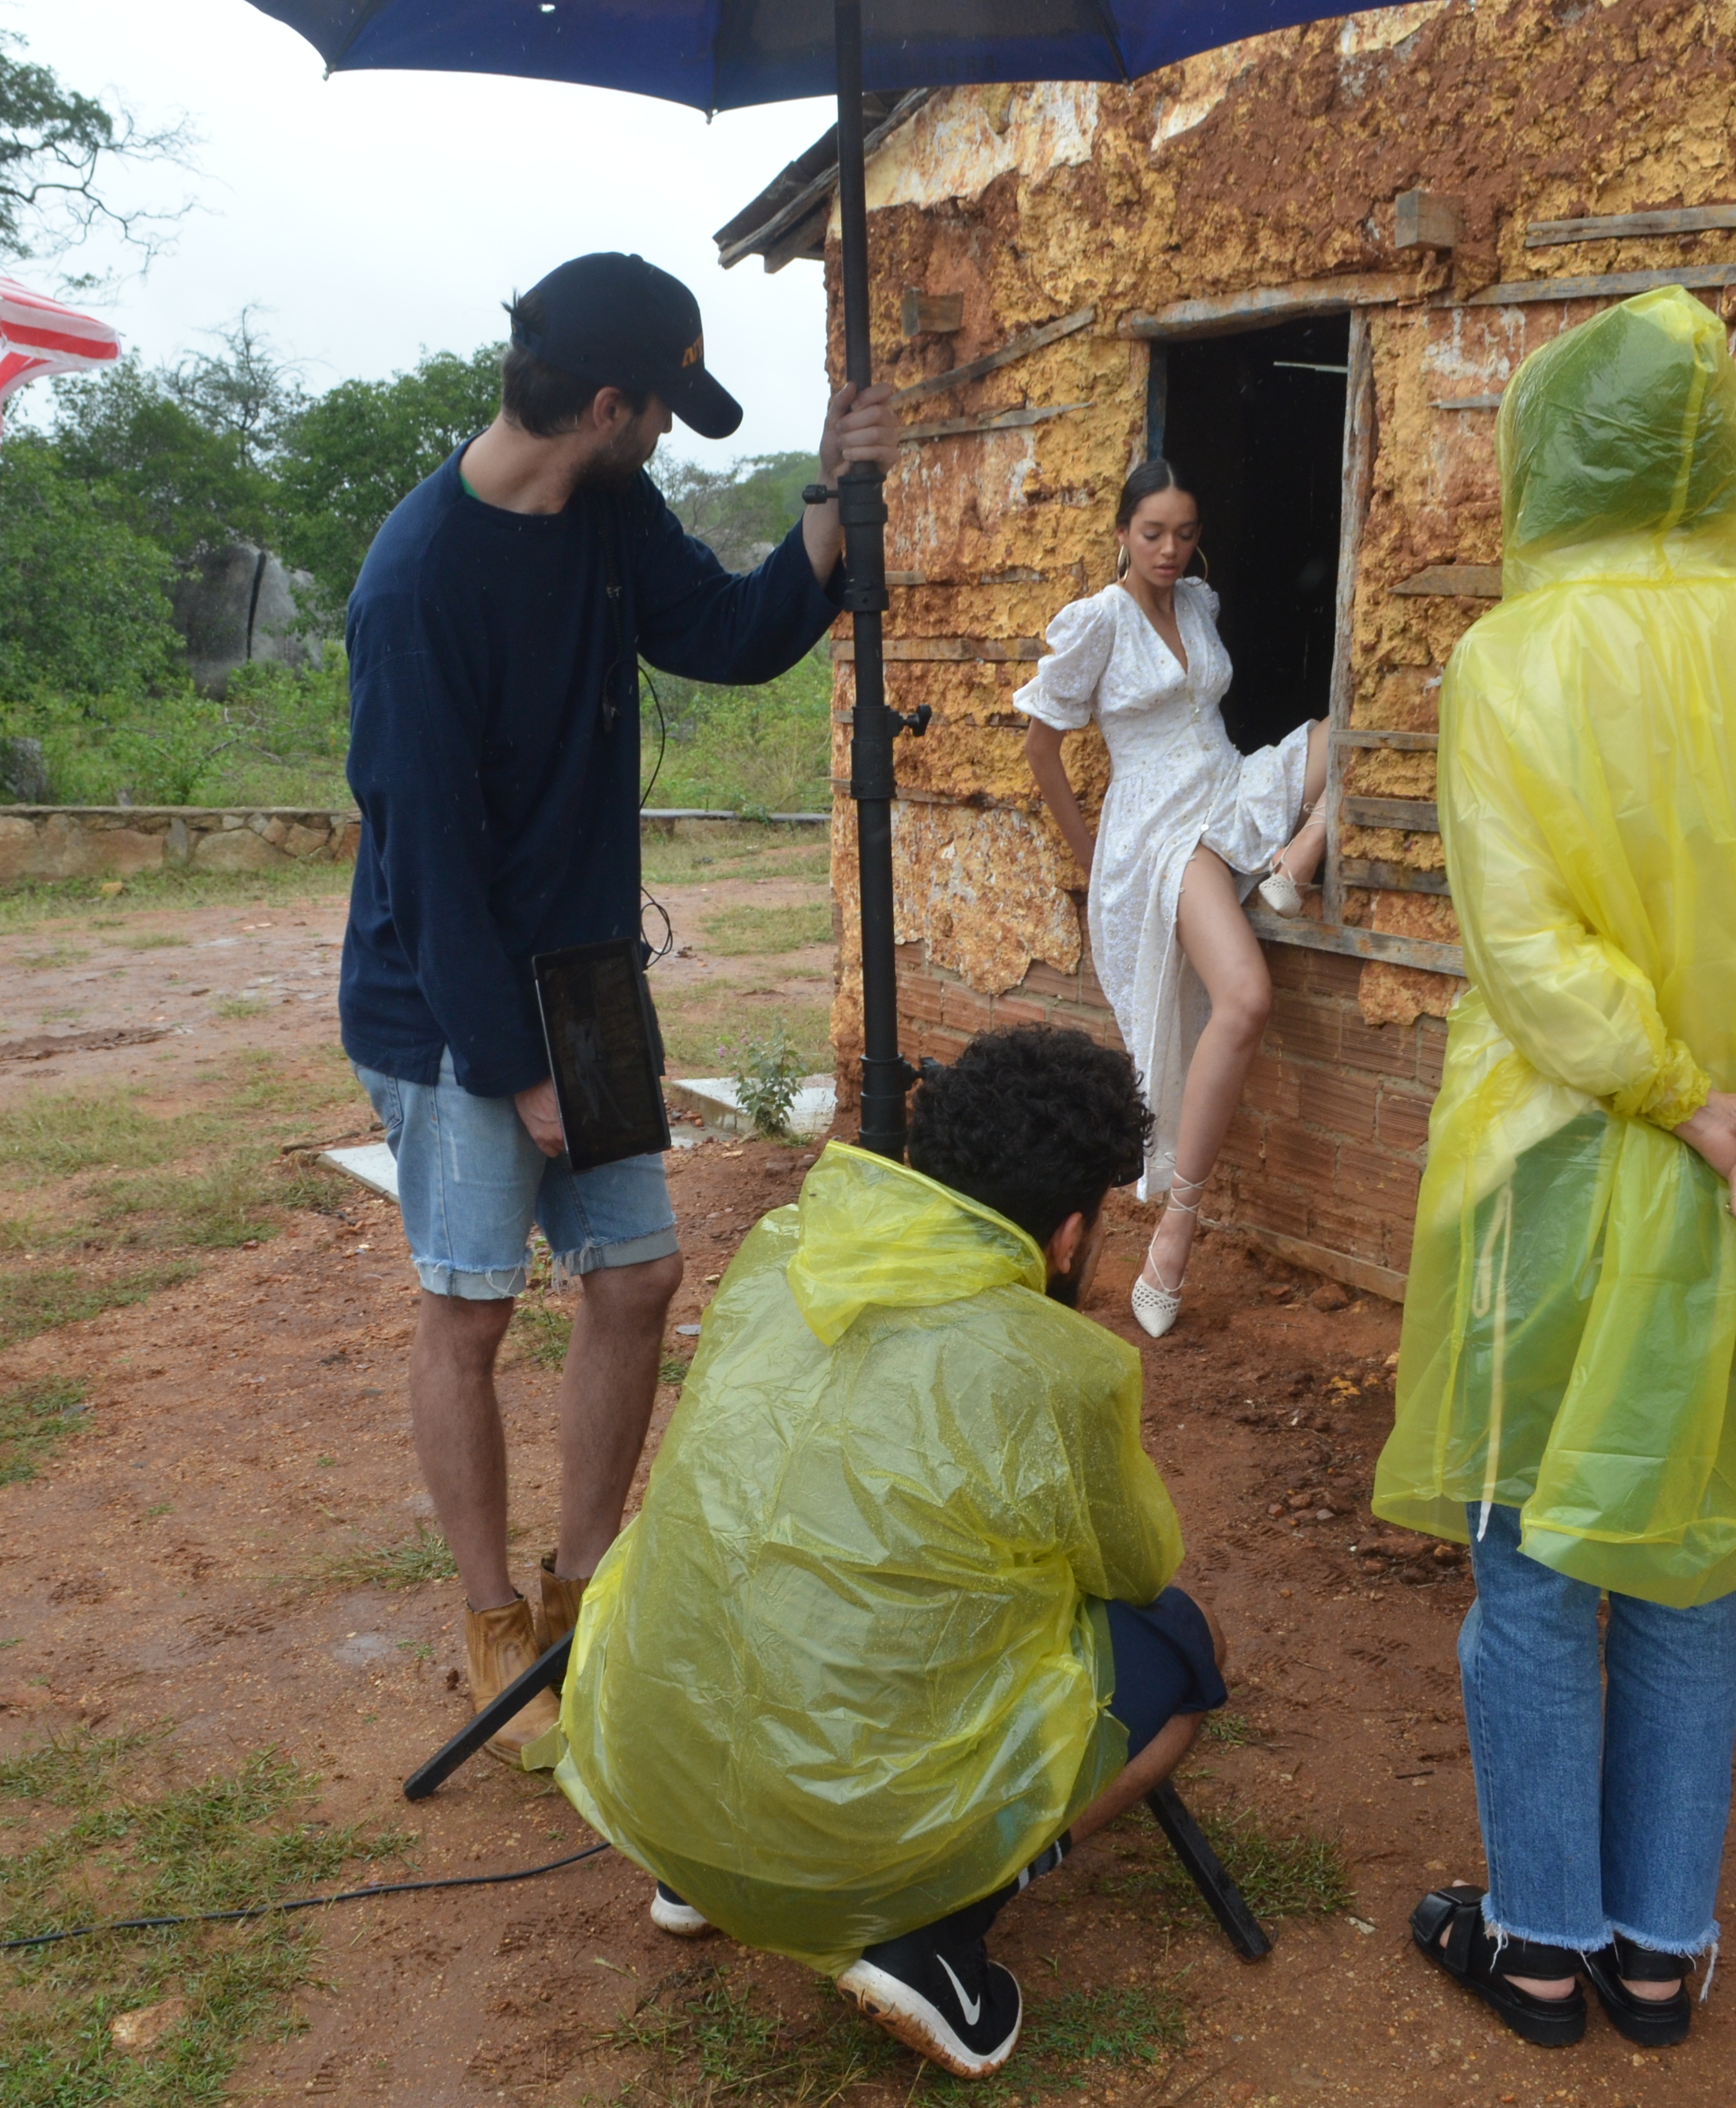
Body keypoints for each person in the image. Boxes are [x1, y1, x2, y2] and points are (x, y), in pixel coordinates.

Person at [1371, 287, 1736, 2050]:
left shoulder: (1512, 661)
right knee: (1694, 1541)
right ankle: (1657, 1950)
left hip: (1562, 1169)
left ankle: (1540, 1944)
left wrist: (1686, 1096)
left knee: (1539, 1554)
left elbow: (1527, 948)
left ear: (1552, 455)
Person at [338, 252, 897, 1763]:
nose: (665, 439)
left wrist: (829, 505)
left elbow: (728, 636)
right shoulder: (415, 586)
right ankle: (485, 1620)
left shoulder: (606, 509)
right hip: (451, 1002)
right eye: (659, 411)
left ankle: (587, 1594)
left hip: (584, 979)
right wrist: (511, 1066)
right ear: (604, 403)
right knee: (467, 1307)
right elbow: (429, 862)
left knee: (636, 1280)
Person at [552, 1025, 1226, 2080]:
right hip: (847, 1843)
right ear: (1070, 1233)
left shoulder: (781, 1254)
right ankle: (935, 1933)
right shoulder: (1066, 1369)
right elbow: (1132, 1571)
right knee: (1181, 1649)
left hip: (650, 1782)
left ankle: (704, 1868)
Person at [1015, 460, 1335, 1339]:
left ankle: (1296, 860)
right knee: (1246, 997)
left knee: (1345, 736)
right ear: (1122, 530)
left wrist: (1297, 830)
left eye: (1184, 533)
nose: (1168, 548)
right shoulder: (1099, 623)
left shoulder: (1199, 603)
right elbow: (1043, 752)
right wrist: (1093, 858)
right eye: (1152, 531)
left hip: (1226, 787)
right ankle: (1175, 1237)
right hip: (1159, 832)